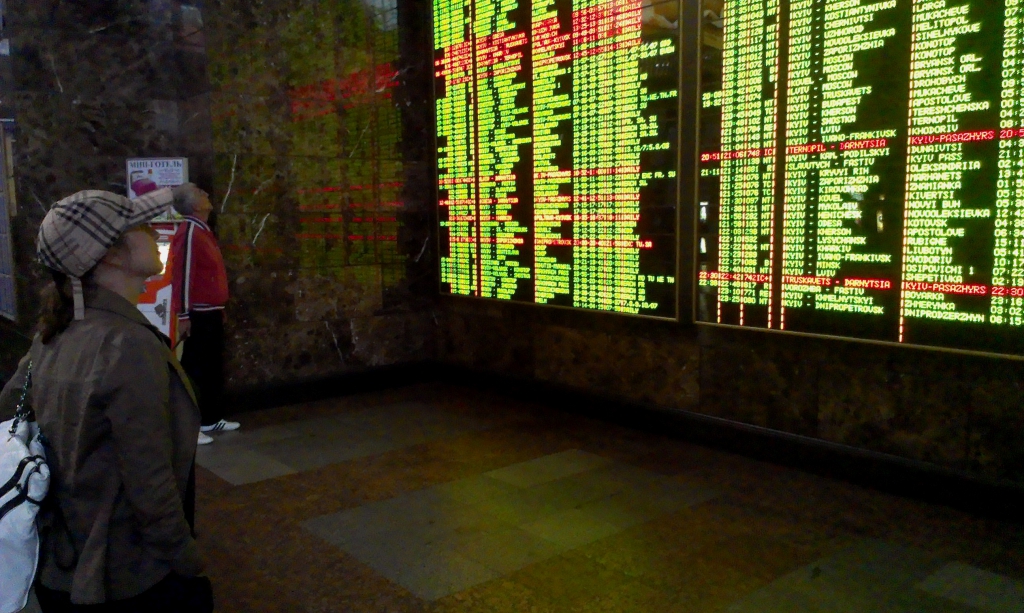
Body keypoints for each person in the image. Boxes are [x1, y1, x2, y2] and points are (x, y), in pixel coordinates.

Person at [0, 187, 213, 612]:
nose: (154, 232)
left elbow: (9, 406)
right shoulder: (125, 343)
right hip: (125, 573)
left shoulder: (55, 332)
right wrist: (185, 557)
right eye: (140, 226)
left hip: (63, 562)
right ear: (111, 255)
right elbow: (149, 479)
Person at [169, 185, 239, 445]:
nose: (207, 195)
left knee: (211, 368)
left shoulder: (202, 230)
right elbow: (182, 274)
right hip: (198, 313)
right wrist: (183, 314)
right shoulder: (189, 232)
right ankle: (190, 425)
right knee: (195, 370)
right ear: (194, 205)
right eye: (201, 194)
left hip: (210, 312)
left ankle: (209, 418)